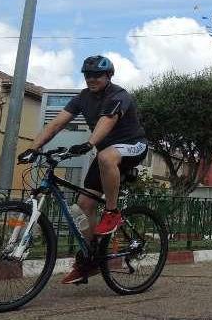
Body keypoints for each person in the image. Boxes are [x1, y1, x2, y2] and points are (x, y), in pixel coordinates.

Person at [19, 55, 148, 284]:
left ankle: (112, 212)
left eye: (97, 75)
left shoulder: (118, 95)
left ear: (108, 76)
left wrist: (89, 144)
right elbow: (58, 123)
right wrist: (34, 148)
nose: (91, 79)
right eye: (87, 75)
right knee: (82, 207)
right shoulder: (83, 98)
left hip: (133, 146)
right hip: (106, 154)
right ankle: (91, 259)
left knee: (106, 156)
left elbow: (106, 122)